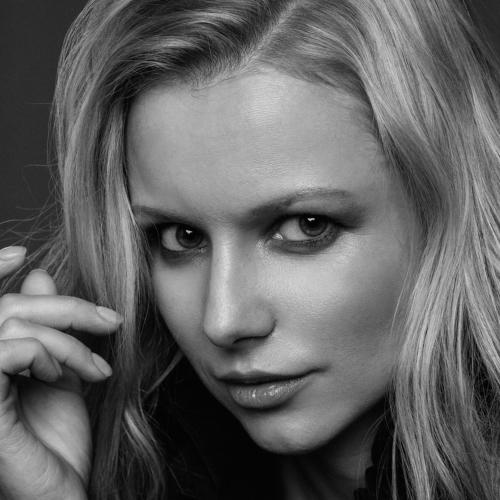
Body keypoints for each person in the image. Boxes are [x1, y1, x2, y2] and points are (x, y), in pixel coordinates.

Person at [0, 0, 499, 498]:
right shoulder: (138, 464)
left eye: (306, 227)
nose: (224, 321)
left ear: (448, 208)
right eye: (181, 237)